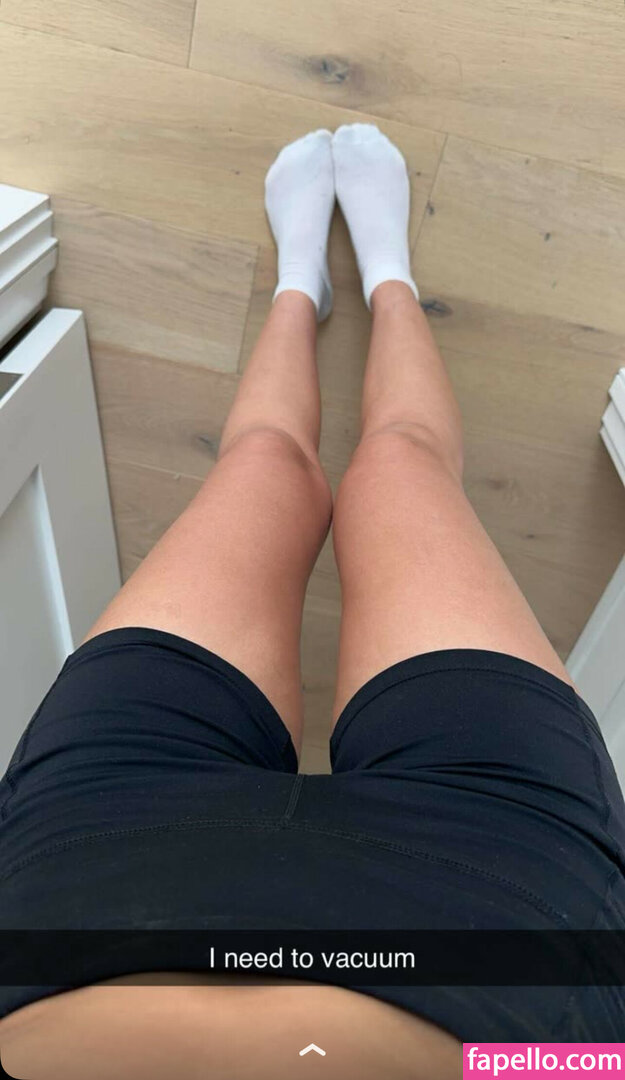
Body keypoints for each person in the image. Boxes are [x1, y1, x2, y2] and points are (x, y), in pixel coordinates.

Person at [1, 125, 624, 1079]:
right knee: (401, 462)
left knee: (266, 462)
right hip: (507, 937)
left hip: (78, 886)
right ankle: (386, 279)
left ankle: (303, 287)